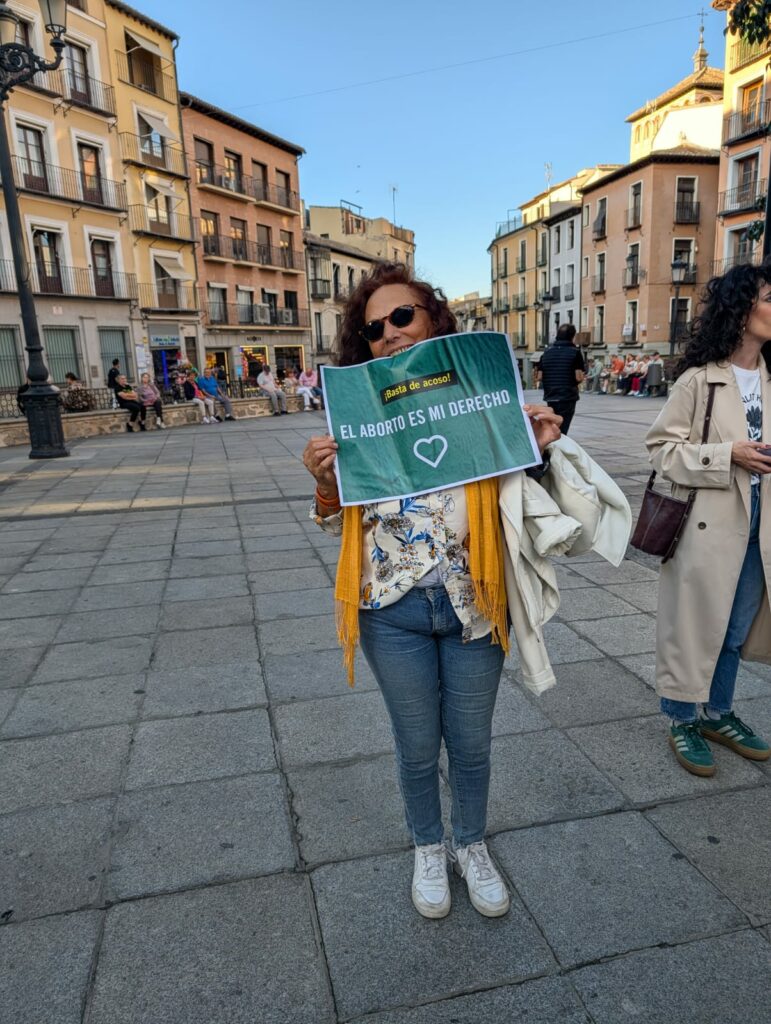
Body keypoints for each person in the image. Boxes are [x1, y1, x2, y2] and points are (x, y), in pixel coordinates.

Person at [302, 262, 562, 921]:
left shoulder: (480, 396)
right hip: (391, 611)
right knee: (417, 744)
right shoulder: (360, 414)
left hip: (476, 602)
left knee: (470, 742)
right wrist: (325, 482)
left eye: (401, 317)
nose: (388, 333)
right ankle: (427, 846)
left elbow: (526, 497)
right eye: (373, 328)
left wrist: (538, 446)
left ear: (432, 319)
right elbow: (336, 520)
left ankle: (470, 845)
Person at [646, 261, 771, 777]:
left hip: (761, 523)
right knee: (696, 621)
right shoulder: (702, 381)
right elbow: (660, 450)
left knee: (736, 626)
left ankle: (718, 713)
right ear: (742, 311)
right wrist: (726, 456)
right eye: (769, 298)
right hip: (710, 517)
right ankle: (681, 718)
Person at [537, 323, 585, 433]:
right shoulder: (575, 353)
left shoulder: (546, 353)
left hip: (550, 396)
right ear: (572, 336)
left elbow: (539, 377)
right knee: (563, 428)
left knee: (553, 425)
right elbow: (578, 377)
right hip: (567, 396)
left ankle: (551, 446)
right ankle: (558, 448)